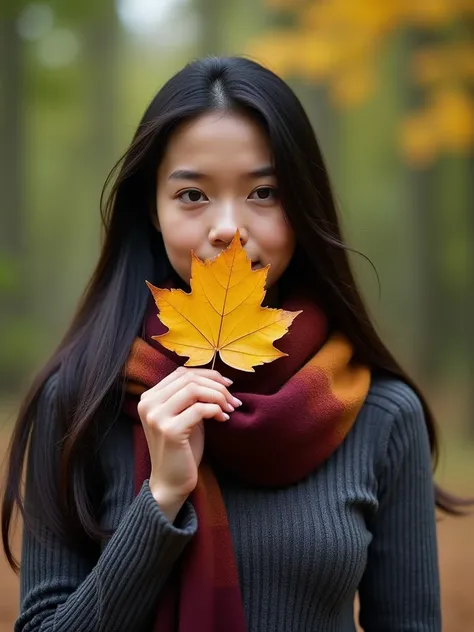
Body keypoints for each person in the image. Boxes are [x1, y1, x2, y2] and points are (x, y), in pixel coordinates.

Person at [2, 55, 467, 632]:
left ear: (303, 206)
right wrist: (161, 500)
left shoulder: (378, 412)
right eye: (193, 195)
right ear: (152, 209)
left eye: (264, 191)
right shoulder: (79, 400)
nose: (228, 226)